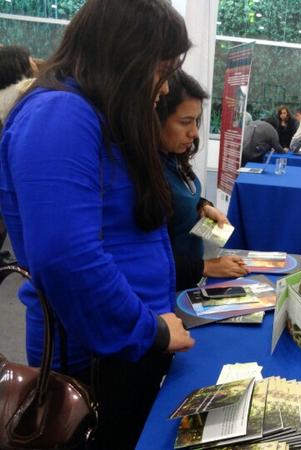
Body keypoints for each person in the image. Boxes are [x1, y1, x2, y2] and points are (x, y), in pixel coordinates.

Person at [0, 1, 195, 448]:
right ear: (125, 56)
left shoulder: (92, 113)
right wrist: (150, 330)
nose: (164, 87)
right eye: (160, 70)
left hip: (123, 343)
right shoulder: (61, 114)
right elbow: (66, 257)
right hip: (97, 355)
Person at [157, 69, 247, 290]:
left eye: (196, 121)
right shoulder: (148, 173)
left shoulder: (173, 157)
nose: (194, 133)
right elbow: (150, 259)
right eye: (185, 122)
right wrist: (206, 267)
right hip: (170, 289)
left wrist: (203, 206)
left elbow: (180, 198)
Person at [0, 45, 38, 124]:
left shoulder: (3, 94)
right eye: (31, 59)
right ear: (21, 62)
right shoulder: (26, 86)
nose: (35, 63)